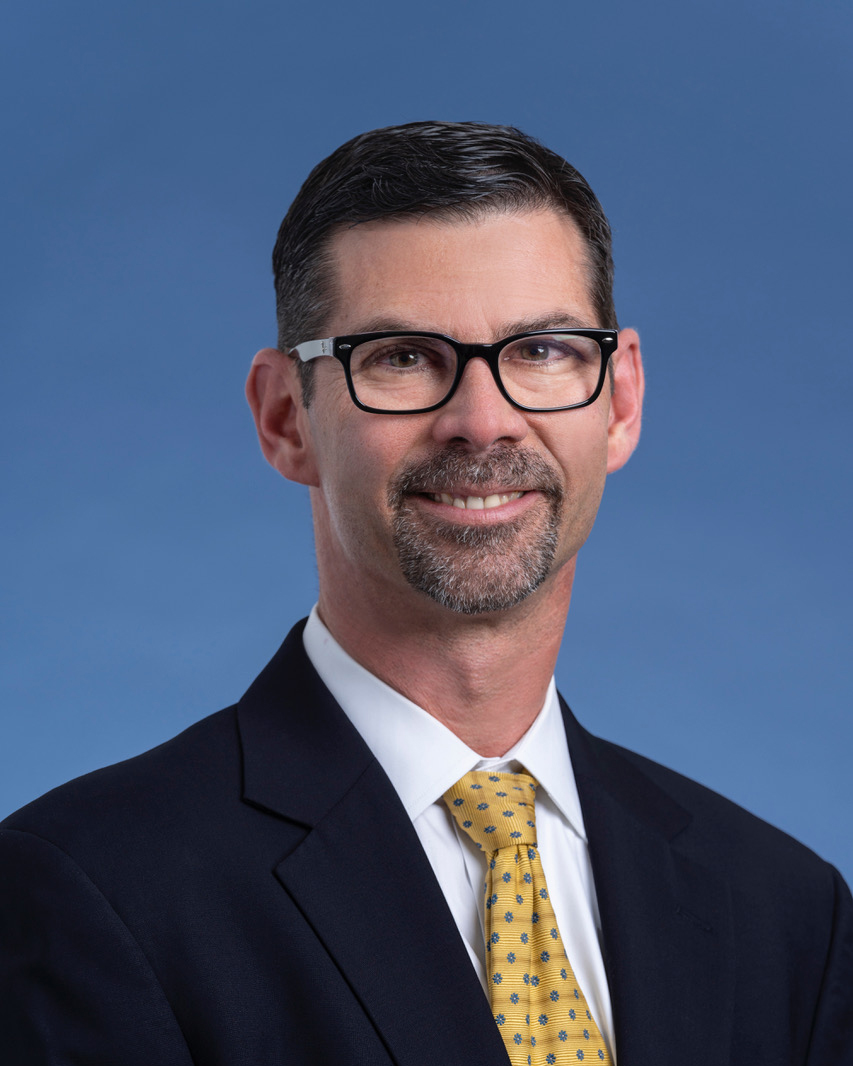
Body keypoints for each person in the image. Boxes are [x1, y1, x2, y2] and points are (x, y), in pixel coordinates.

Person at [1, 121, 850, 1065]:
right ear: (286, 418)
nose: (482, 422)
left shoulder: (786, 913)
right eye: (402, 357)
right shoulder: (88, 887)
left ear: (618, 402)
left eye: (541, 351)